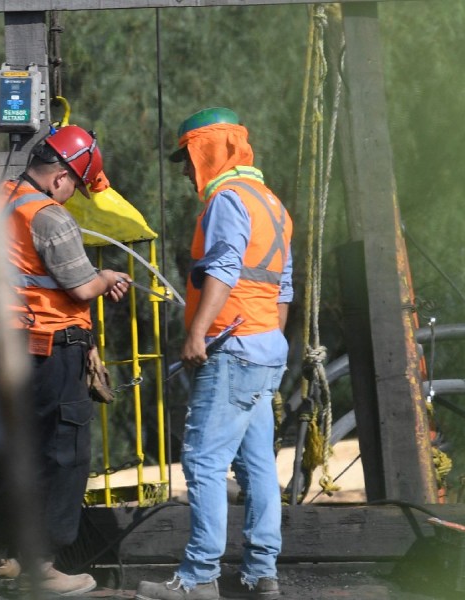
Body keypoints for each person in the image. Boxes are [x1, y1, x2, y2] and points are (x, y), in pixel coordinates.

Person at [136, 108, 293, 600]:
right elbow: (282, 288)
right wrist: (267, 340)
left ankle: (199, 577)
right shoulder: (271, 202)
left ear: (209, 149)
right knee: (258, 465)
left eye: (186, 156)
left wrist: (197, 333)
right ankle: (261, 573)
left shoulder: (227, 198)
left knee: (203, 462)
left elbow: (225, 267)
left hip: (232, 350)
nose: (184, 169)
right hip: (267, 350)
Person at [0, 124, 131, 596]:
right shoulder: (48, 215)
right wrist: (106, 278)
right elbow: (80, 287)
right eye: (75, 187)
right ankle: (40, 566)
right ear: (62, 177)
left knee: (14, 455)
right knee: (64, 454)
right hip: (47, 353)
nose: (71, 196)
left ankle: (0, 556)